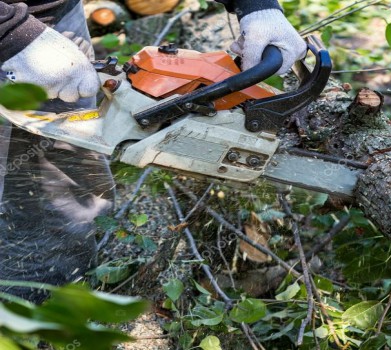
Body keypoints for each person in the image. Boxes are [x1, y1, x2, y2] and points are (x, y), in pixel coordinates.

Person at [0, 0, 306, 302]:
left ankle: (40, 311)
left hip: (51, 19)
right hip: (17, 33)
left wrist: (256, 6)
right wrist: (11, 33)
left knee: (62, 205)